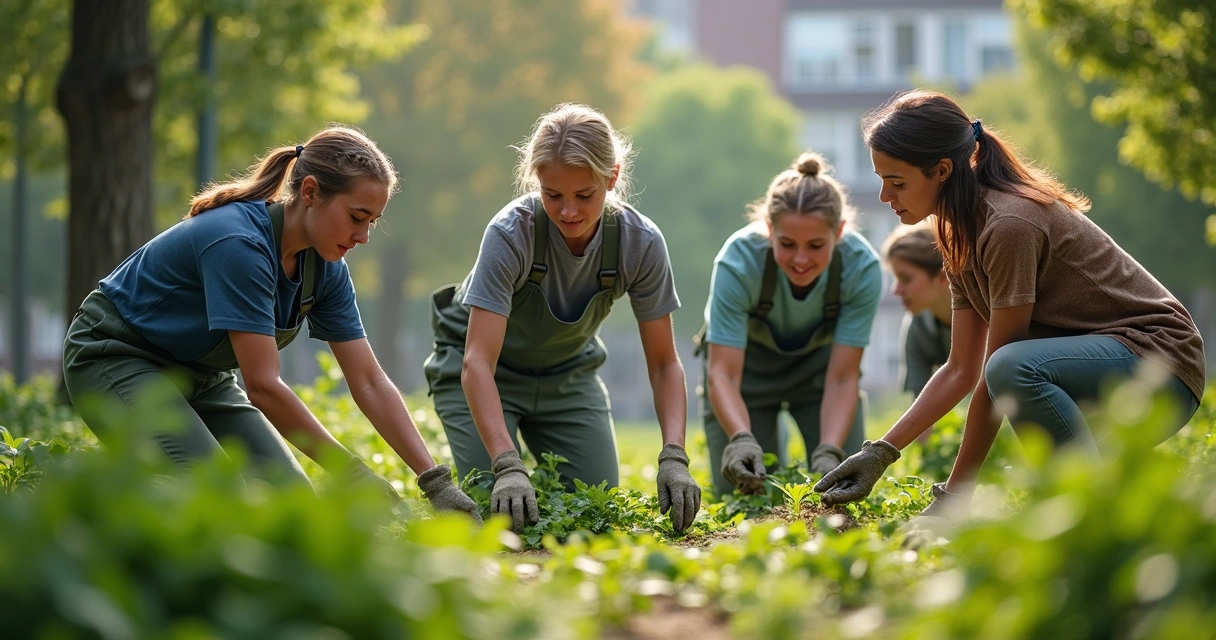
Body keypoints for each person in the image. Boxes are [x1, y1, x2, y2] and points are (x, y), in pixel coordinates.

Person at [815, 90, 1206, 515]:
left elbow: (999, 370)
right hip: (1099, 372)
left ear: (942, 170)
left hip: (1159, 365)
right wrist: (881, 452)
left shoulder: (1008, 224)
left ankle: (1089, 513)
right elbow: (960, 368)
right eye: (881, 180)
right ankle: (1091, 512)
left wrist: (953, 498)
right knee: (1012, 374)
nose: (884, 197)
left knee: (1011, 367)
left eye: (898, 183)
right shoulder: (957, 233)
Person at [62, 126, 481, 521]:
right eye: (356, 217)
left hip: (200, 375)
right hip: (115, 356)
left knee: (292, 505)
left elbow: (369, 380)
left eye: (371, 222)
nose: (363, 237)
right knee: (219, 495)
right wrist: (349, 471)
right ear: (311, 192)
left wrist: (435, 482)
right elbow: (263, 386)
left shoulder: (325, 267)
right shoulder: (238, 244)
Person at [423, 104, 701, 533]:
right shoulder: (510, 233)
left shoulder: (639, 243)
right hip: (486, 377)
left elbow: (665, 363)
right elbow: (477, 362)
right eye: (553, 195)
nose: (568, 211)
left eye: (584, 195)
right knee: (492, 512)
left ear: (611, 178)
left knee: (595, 509)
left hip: (568, 376)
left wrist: (674, 456)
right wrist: (507, 464)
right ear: (537, 183)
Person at [698, 152, 882, 496]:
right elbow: (722, 373)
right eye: (786, 244)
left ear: (839, 232)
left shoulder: (862, 268)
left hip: (821, 375)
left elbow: (843, 377)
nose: (800, 259)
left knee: (845, 488)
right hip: (746, 375)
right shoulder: (738, 261)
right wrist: (739, 438)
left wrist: (829, 451)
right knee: (744, 491)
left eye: (815, 245)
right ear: (769, 229)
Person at [883, 223, 952, 399]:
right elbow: (921, 404)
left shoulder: (986, 318)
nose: (896, 290)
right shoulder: (917, 328)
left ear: (942, 276)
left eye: (905, 279)